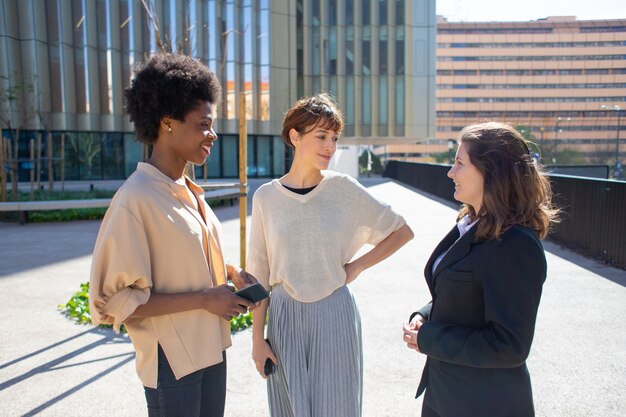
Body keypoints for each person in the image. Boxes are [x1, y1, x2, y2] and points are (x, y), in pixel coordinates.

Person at [89, 53, 257, 417]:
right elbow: (113, 302)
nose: (212, 135)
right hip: (173, 361)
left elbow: (181, 255)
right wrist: (203, 299)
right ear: (167, 122)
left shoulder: (187, 189)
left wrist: (231, 274)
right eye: (203, 125)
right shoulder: (135, 199)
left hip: (211, 347)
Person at [247, 93, 414, 417]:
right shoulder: (266, 197)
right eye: (321, 136)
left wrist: (357, 266)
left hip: (334, 314)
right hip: (284, 319)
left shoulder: (343, 189)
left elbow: (401, 231)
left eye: (334, 138)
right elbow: (259, 273)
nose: (330, 146)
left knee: (337, 408)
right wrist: (257, 338)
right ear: (295, 136)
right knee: (290, 409)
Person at [402, 122, 559, 417]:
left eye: (459, 163)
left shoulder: (515, 245)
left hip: (483, 404)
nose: (450, 172)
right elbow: (461, 294)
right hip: (443, 394)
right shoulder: (471, 223)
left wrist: (430, 339)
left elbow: (509, 345)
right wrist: (424, 315)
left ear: (491, 172)